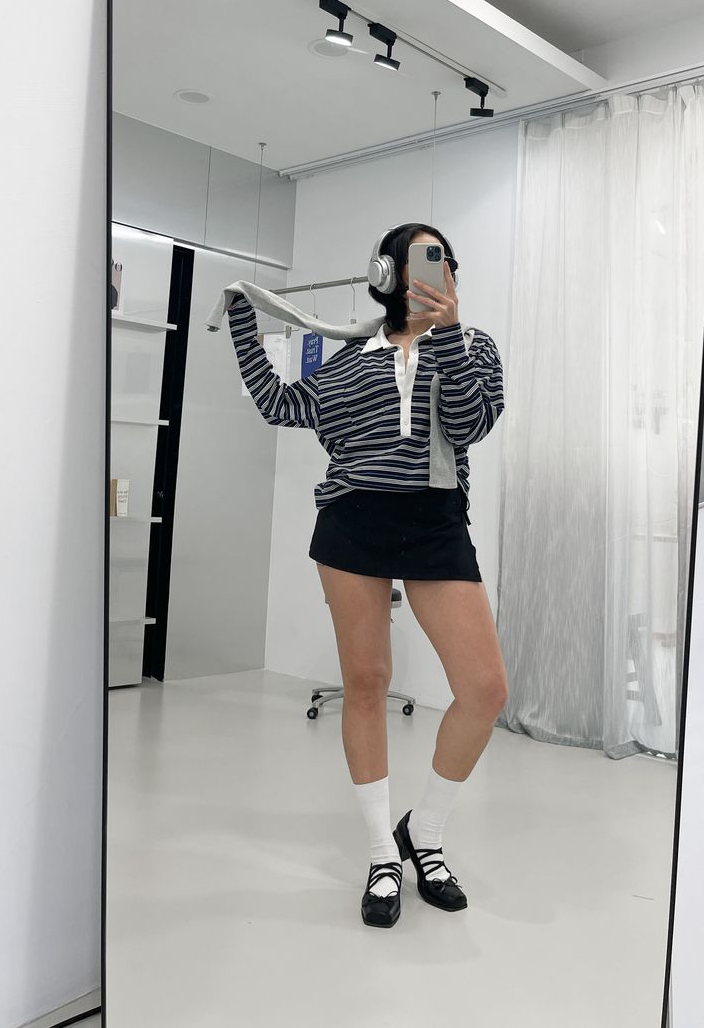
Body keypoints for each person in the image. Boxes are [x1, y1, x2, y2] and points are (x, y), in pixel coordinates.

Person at [226, 223, 507, 929]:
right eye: (420, 260)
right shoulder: (353, 358)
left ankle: (425, 831)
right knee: (367, 683)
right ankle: (384, 852)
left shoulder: (473, 347)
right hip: (353, 523)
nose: (436, 272)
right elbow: (281, 403)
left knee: (484, 690)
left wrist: (447, 333)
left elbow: (470, 426)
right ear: (388, 274)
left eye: (444, 261)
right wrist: (243, 325)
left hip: (437, 524)